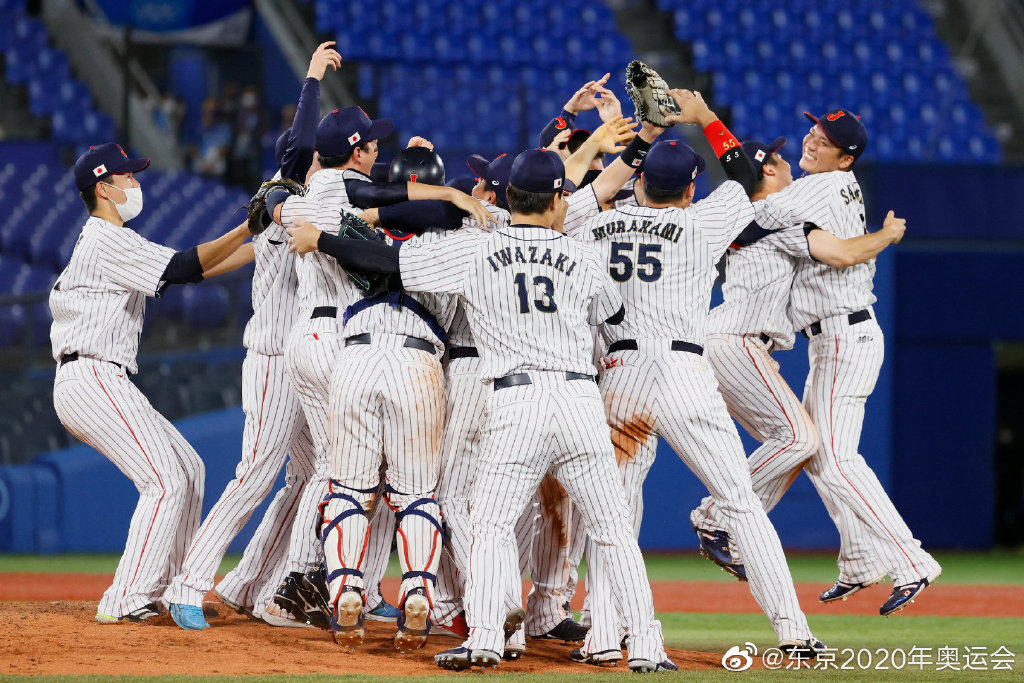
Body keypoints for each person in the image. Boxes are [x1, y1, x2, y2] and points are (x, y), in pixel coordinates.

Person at [286, 148, 675, 673]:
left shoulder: (476, 249)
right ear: (559, 199)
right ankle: (648, 647)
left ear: (509, 197)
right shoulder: (583, 256)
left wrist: (321, 240)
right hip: (579, 399)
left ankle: (486, 637)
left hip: (514, 400)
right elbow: (615, 319)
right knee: (612, 530)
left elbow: (389, 263)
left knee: (489, 523)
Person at [570, 90, 824, 658]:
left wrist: (638, 137)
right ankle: (794, 632)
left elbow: (576, 194)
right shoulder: (702, 222)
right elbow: (747, 178)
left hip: (621, 377)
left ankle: (606, 637)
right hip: (686, 371)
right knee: (739, 501)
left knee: (616, 512)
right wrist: (707, 117)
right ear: (689, 189)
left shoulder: (598, 222)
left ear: (639, 183)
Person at [701, 110, 941, 616]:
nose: (811, 141)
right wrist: (885, 235)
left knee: (833, 459)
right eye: (812, 130)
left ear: (845, 158)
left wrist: (706, 119)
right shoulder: (826, 190)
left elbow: (828, 248)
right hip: (829, 336)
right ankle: (857, 563)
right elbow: (758, 193)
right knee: (816, 454)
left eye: (824, 138)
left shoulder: (818, 189)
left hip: (843, 335)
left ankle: (912, 562)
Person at [163, 42, 342, 631]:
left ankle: (252, 584)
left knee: (317, 472)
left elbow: (234, 257)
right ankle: (188, 584)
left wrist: (194, 268)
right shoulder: (286, 199)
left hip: (301, 362)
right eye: (312, 158)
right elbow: (298, 144)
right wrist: (312, 78)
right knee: (256, 475)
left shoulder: (309, 204)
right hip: (271, 359)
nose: (319, 162)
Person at [50, 142, 251, 624]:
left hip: (103, 376)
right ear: (104, 187)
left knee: (190, 467)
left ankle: (167, 588)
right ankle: (125, 597)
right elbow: (184, 267)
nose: (136, 183)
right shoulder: (103, 238)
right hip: (90, 375)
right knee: (163, 479)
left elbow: (193, 272)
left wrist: (257, 244)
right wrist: (248, 226)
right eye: (128, 177)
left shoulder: (111, 237)